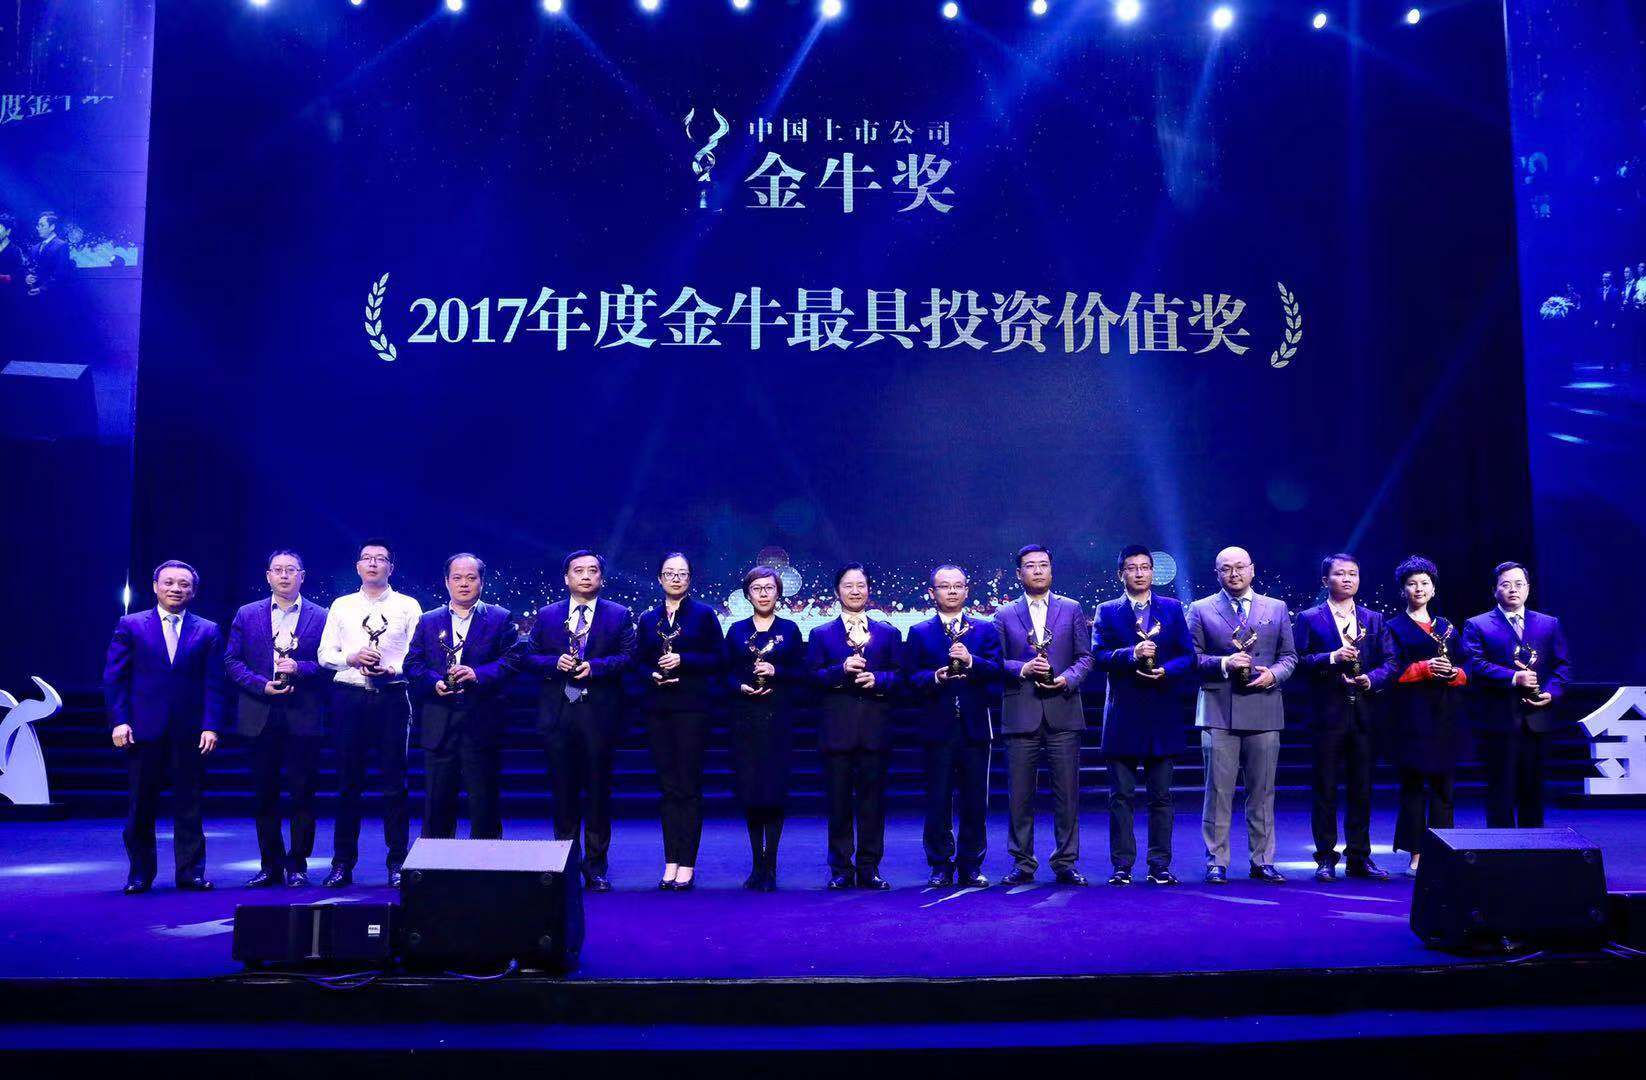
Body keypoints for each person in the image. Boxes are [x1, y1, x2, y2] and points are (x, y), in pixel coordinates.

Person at [103, 560, 222, 894]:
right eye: (169, 582)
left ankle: (190, 873)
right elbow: (114, 678)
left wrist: (211, 726)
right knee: (141, 804)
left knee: (190, 804)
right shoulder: (131, 625)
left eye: (184, 584)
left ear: (193, 591)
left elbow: (215, 683)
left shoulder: (208, 630)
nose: (176, 589)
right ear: (155, 586)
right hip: (143, 729)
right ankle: (140, 873)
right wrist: (119, 720)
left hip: (190, 732)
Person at [523, 550, 635, 892]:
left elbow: (629, 656)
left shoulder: (618, 614)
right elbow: (529, 656)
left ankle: (596, 867)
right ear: (566, 578)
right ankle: (566, 865)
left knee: (598, 791)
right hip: (559, 713)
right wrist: (553, 663)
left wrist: (595, 667)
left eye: (592, 570)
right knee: (563, 791)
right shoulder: (547, 615)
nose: (586, 576)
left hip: (598, 713)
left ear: (601, 577)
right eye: (578, 570)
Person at [1188, 546, 1297, 885]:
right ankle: (1216, 861)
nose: (1233, 574)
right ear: (1216, 573)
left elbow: (1289, 656)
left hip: (1264, 707)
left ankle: (1262, 861)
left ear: (1252, 569)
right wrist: (1224, 663)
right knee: (1217, 792)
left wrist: (1273, 675)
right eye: (1226, 569)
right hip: (1218, 710)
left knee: (1262, 792)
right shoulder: (1200, 608)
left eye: (1239, 567)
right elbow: (1191, 658)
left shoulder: (1276, 607)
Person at [317, 538, 423, 888]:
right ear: (358, 566)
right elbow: (324, 654)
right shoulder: (341, 605)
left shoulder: (408, 605)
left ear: (391, 567)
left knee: (395, 785)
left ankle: (398, 862)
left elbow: (418, 656)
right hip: (349, 698)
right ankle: (342, 864)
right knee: (348, 784)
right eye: (367, 558)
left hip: (392, 697)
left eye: (380, 559)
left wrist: (393, 669)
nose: (373, 563)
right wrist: (350, 658)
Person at [223, 550, 327, 888]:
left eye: (291, 570)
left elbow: (329, 663)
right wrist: (261, 685)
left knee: (302, 794)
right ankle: (270, 865)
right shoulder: (247, 613)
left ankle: (298, 865)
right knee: (264, 794)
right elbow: (232, 661)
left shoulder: (321, 615)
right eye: (277, 570)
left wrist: (300, 668)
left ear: (302, 576)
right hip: (259, 712)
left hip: (303, 714)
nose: (284, 575)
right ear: (268, 576)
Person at [1091, 545, 1193, 886]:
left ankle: (1159, 865)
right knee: (1120, 797)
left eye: (1145, 567)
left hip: (1162, 715)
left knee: (1161, 796)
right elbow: (1098, 656)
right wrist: (1130, 653)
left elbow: (1188, 656)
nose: (1139, 573)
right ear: (1120, 573)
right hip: (1123, 715)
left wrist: (1167, 670)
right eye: (1132, 568)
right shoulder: (1107, 611)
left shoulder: (1172, 608)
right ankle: (1122, 865)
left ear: (1152, 572)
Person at [995, 545, 1094, 887]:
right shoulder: (1004, 613)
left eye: (1043, 565)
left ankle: (1065, 862)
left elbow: (1085, 657)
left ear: (1051, 570)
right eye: (1030, 566)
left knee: (1067, 794)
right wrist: (1022, 668)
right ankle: (1022, 862)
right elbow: (995, 661)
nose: (1037, 571)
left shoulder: (1072, 608)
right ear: (1019, 573)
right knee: (1019, 795)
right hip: (1020, 713)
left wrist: (1067, 679)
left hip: (1063, 711)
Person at [1293, 553, 1396, 882]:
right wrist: (1331, 657)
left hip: (1365, 714)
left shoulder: (1374, 619)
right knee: (1325, 788)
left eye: (1353, 573)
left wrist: (1372, 679)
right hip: (1327, 714)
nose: (1348, 579)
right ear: (1326, 580)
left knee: (1362, 788)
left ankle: (1360, 857)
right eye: (1340, 574)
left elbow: (1391, 662)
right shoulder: (1309, 618)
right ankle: (1325, 857)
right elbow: (1297, 661)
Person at [405, 553, 521, 843]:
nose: (464, 584)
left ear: (482, 582)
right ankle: (435, 865)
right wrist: (435, 683)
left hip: (481, 721)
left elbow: (512, 662)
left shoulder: (500, 617)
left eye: (471, 577)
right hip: (439, 722)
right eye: (457, 578)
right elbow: (413, 664)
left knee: (484, 802)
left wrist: (477, 674)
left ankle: (486, 864)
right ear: (447, 582)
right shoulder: (429, 620)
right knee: (437, 803)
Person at [904, 565, 1003, 889]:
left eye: (957, 586)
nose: (951, 591)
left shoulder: (985, 629)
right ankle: (940, 865)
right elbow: (909, 679)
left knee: (975, 801)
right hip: (937, 727)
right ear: (932, 592)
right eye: (944, 586)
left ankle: (971, 865)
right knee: (937, 800)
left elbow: (997, 671)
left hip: (975, 728)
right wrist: (934, 677)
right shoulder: (920, 632)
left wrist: (972, 661)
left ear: (967, 591)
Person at [806, 563, 902, 890]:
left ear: (869, 590)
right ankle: (841, 868)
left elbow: (901, 677)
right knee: (838, 803)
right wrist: (840, 669)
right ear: (837, 591)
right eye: (848, 586)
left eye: (861, 585)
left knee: (873, 803)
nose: (855, 591)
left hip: (875, 730)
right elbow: (811, 679)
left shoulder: (887, 633)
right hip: (837, 731)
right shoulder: (821, 634)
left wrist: (879, 679)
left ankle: (869, 867)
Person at [633, 552, 724, 891]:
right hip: (658, 708)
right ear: (659, 578)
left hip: (692, 707)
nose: (675, 578)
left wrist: (684, 660)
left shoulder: (704, 614)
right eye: (669, 573)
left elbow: (719, 658)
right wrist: (652, 674)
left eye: (682, 573)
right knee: (668, 788)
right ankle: (670, 860)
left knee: (689, 787)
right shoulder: (648, 618)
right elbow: (637, 661)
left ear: (690, 579)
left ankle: (687, 862)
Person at [1460, 562, 1571, 830]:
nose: (1513, 590)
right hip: (1498, 720)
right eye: (1506, 584)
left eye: (1519, 584)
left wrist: (1551, 693)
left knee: (1533, 789)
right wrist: (1513, 677)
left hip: (1537, 719)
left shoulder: (1548, 624)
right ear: (1494, 589)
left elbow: (1562, 666)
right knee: (1500, 789)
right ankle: (1501, 848)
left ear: (1528, 588)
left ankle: (1534, 847)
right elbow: (1473, 664)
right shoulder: (1477, 625)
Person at [722, 566, 805, 890]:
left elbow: (803, 674)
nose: (763, 593)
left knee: (775, 793)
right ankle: (757, 863)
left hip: (778, 719)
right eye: (757, 588)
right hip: (745, 720)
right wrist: (739, 686)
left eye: (769, 588)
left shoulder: (790, 630)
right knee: (752, 793)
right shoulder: (736, 631)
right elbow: (724, 674)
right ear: (748, 594)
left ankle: (771, 864)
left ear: (778, 592)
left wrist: (777, 671)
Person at [1385, 555, 1466, 875]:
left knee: (1445, 787)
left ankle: (1442, 851)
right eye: (1411, 584)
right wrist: (1422, 669)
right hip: (1411, 716)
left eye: (1424, 583)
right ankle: (1416, 854)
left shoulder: (1447, 627)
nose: (1418, 588)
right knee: (1414, 786)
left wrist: (1454, 672)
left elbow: (1467, 665)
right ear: (1402, 590)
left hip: (1446, 714)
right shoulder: (1392, 627)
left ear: (1434, 589)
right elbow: (1389, 670)